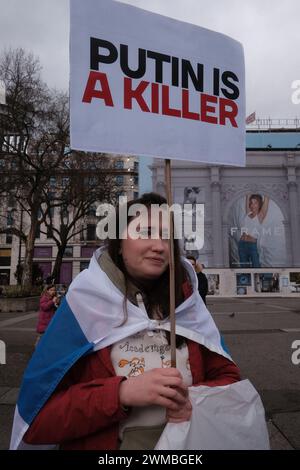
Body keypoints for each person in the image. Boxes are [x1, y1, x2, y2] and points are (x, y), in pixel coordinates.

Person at [11, 193, 240, 451]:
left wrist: (195, 403)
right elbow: (39, 419)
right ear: (119, 242)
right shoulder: (82, 306)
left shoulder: (187, 305)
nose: (159, 246)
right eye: (146, 232)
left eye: (167, 236)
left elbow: (229, 381)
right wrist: (120, 394)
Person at [238, 194, 269, 268]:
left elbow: (267, 197)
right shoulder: (248, 213)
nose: (253, 205)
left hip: (252, 245)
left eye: (255, 203)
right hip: (241, 244)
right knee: (244, 269)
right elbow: (247, 194)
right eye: (251, 203)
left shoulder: (260, 215)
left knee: (256, 268)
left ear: (260, 204)